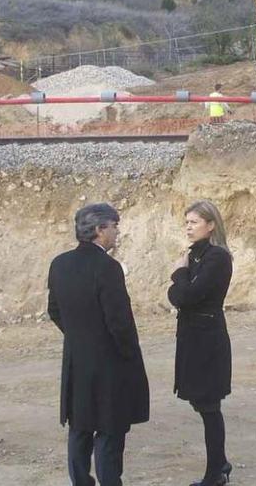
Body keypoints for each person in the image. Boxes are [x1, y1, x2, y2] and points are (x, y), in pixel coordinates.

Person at [47, 203, 149, 486]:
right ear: (99, 230)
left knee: (80, 426)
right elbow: (119, 321)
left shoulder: (59, 264)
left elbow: (53, 309)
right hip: (108, 361)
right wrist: (129, 354)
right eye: (114, 226)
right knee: (109, 428)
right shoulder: (108, 267)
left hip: (76, 358)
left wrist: (79, 335)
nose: (117, 233)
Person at [168, 200, 234, 486]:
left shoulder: (216, 257)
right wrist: (181, 282)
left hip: (207, 339)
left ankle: (215, 473)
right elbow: (179, 297)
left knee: (209, 405)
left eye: (194, 222)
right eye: (187, 222)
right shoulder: (196, 256)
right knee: (201, 402)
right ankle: (220, 464)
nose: (189, 228)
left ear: (211, 225)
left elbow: (185, 296)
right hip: (194, 336)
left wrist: (178, 274)